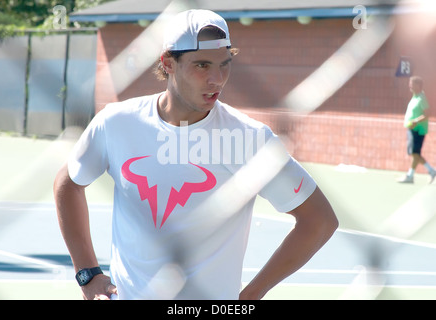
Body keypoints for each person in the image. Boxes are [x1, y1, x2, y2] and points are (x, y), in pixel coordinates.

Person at [54, 9, 338, 300]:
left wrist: (252, 294)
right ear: (168, 62)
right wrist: (87, 274)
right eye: (202, 65)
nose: (217, 79)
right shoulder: (116, 122)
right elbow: (68, 183)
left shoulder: (250, 139)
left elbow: (319, 220)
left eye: (224, 65)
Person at [397, 76, 436, 184]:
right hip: (412, 129)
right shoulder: (415, 97)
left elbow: (428, 113)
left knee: (415, 153)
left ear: (418, 85)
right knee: (414, 153)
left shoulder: (421, 98)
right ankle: (431, 171)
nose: (410, 86)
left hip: (418, 130)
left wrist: (415, 121)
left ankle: (411, 175)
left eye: (412, 84)